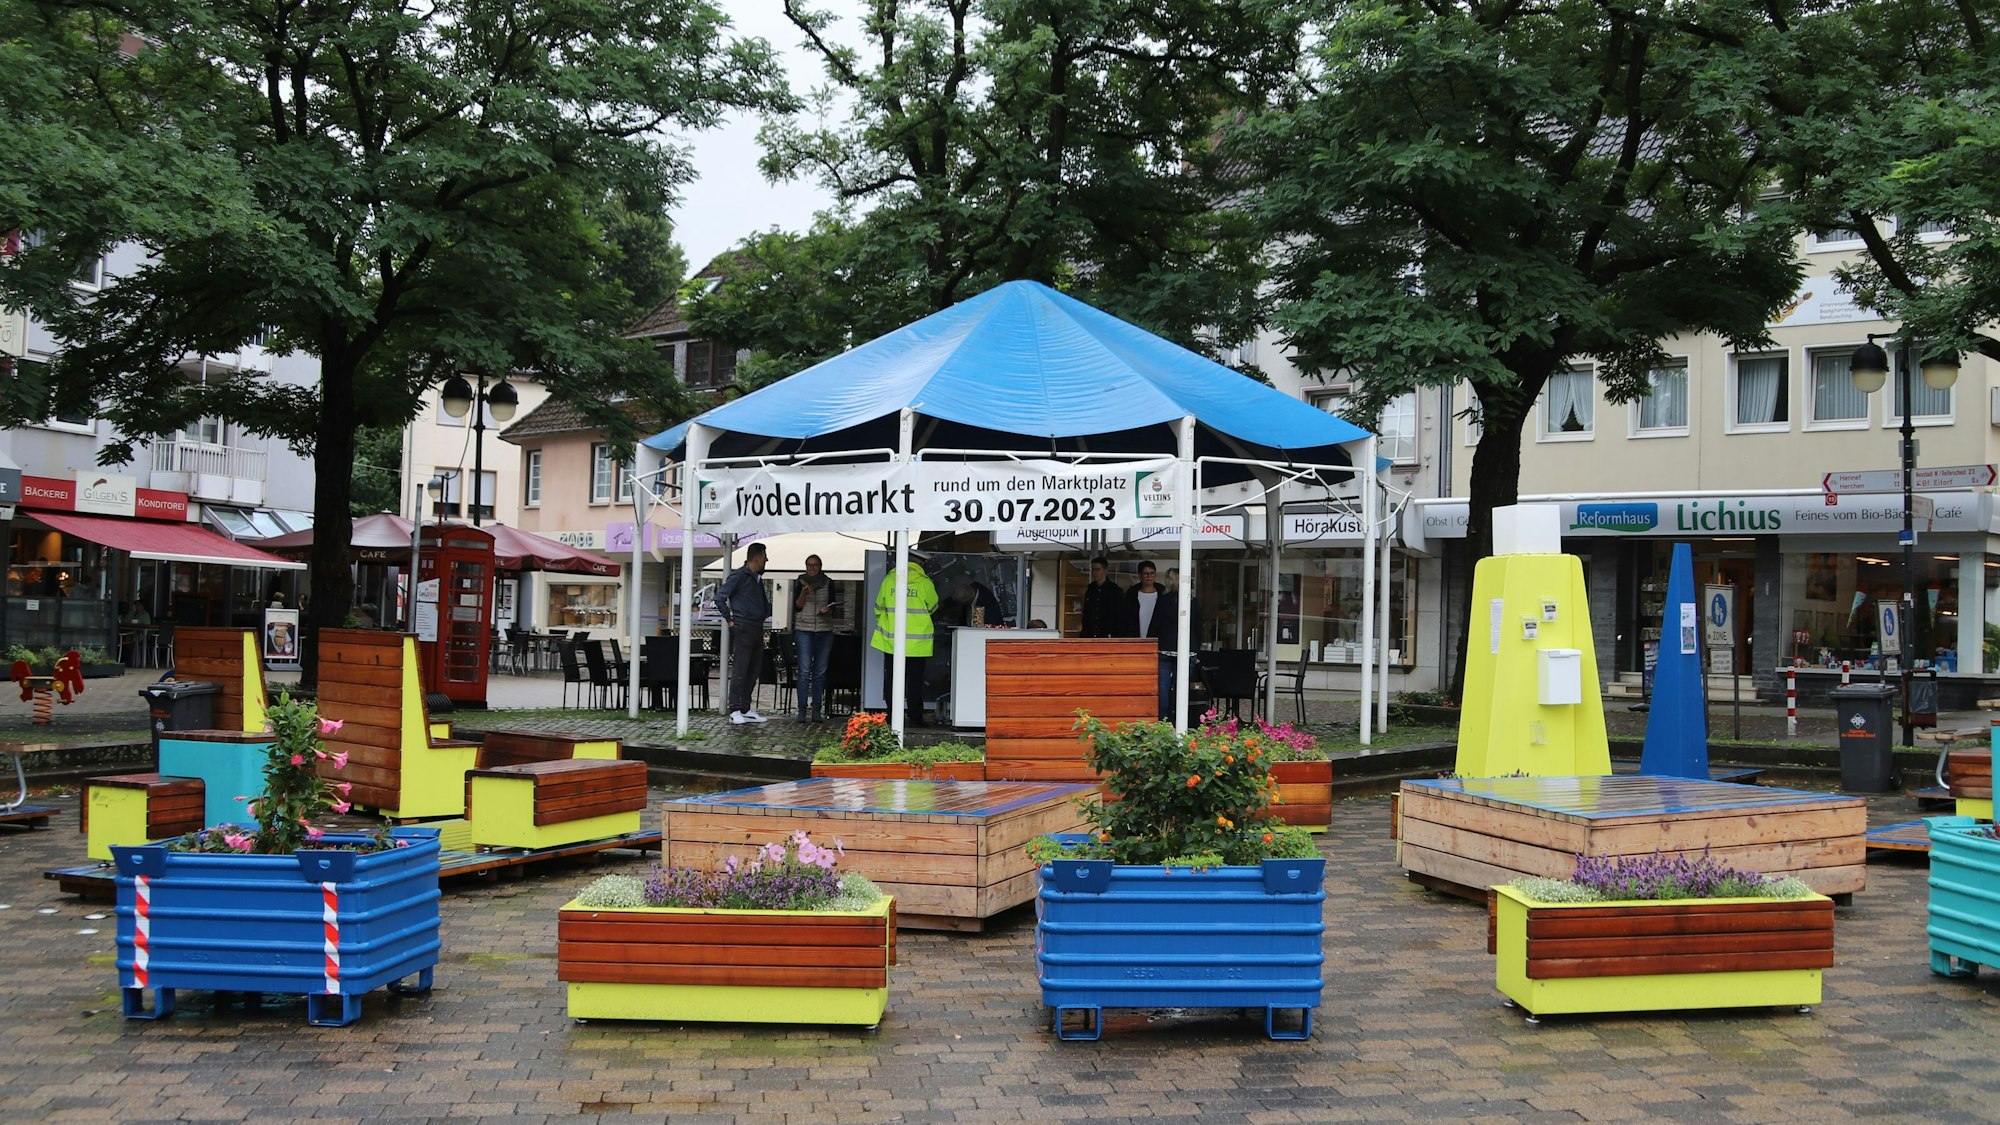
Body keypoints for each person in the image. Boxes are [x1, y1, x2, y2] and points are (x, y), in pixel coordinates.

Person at [1119, 561, 1203, 718]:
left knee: (1163, 686)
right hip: (1187, 650)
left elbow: (1155, 624)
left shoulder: (1163, 600)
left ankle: (1163, 718)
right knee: (1181, 687)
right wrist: (1198, 650)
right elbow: (1198, 628)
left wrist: (1150, 644)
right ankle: (1179, 718)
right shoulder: (1193, 602)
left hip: (1165, 647)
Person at [871, 553, 939, 727]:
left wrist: (888, 625)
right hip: (917, 644)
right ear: (920, 563)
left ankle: (893, 716)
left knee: (892, 680)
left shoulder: (889, 580)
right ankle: (916, 718)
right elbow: (933, 607)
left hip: (892, 642)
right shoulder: (925, 583)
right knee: (914, 682)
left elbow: (879, 607)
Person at [717, 541, 771, 725]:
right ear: (757, 558)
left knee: (754, 669)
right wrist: (730, 620)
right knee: (741, 669)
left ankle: (745, 708)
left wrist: (765, 612)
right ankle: (735, 709)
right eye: (765, 557)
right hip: (743, 626)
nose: (766, 560)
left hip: (756, 626)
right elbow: (720, 597)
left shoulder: (757, 578)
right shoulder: (739, 576)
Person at [793, 554, 838, 723]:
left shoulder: (828, 582)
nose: (812, 568)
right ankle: (802, 709)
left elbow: (835, 606)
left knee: (820, 672)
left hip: (824, 630)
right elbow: (797, 607)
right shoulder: (800, 582)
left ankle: (817, 710)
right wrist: (804, 594)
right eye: (809, 565)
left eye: (815, 565)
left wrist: (829, 609)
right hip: (804, 629)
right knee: (804, 672)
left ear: (820, 566)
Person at [1079, 556, 1122, 637]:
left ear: (1105, 571)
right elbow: (1086, 614)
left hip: (1108, 634)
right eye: (1093, 570)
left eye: (1098, 570)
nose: (1094, 573)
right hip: (1090, 634)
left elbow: (1119, 616)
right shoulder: (1090, 589)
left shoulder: (1115, 590)